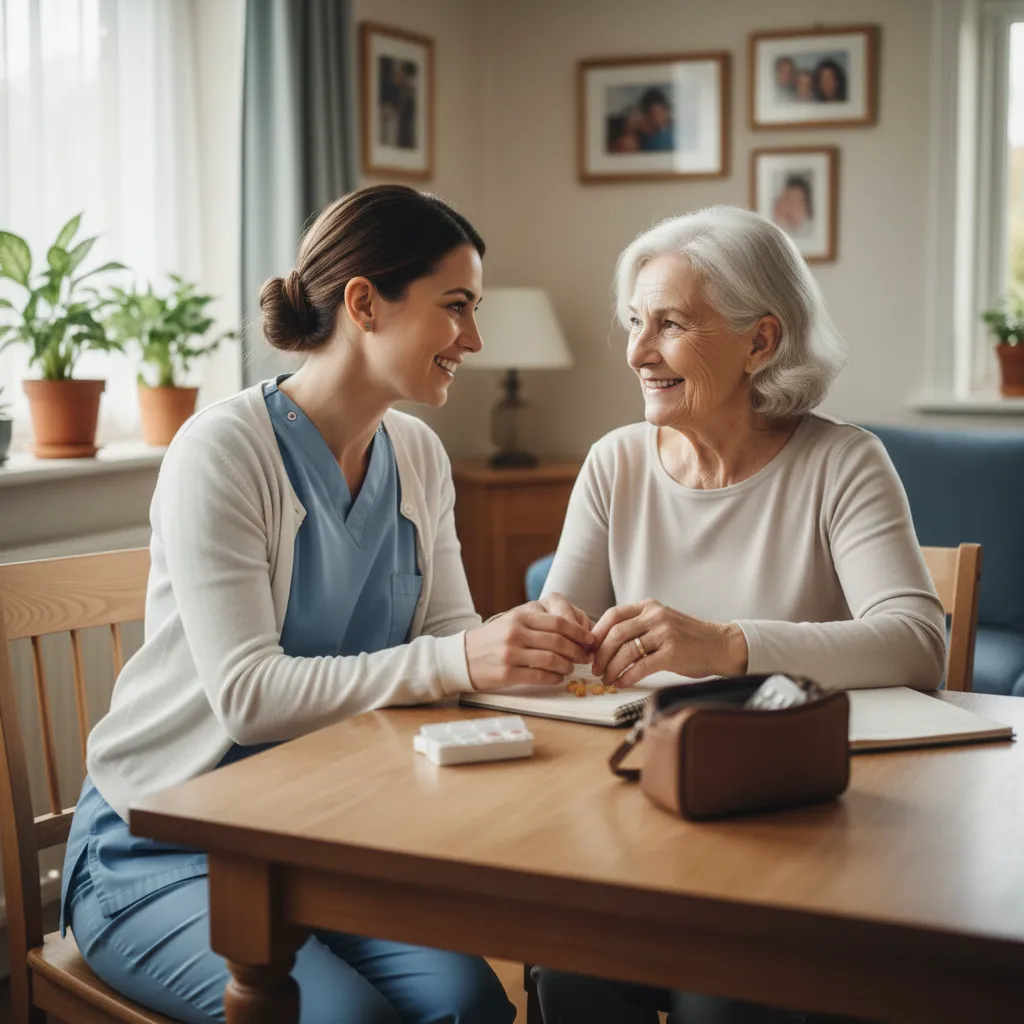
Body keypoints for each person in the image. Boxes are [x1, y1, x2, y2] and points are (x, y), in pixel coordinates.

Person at [61, 184, 596, 1024]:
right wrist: (465, 656)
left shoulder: (416, 452)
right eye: (455, 307)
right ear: (363, 304)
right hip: (161, 845)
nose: (475, 339)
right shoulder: (222, 451)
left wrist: (533, 646)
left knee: (473, 1007)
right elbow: (249, 695)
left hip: (323, 838)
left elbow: (453, 639)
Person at [532, 205, 946, 1024]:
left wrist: (722, 643)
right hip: (642, 807)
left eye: (671, 325)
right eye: (635, 322)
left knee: (719, 997)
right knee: (566, 966)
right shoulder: (616, 462)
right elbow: (561, 638)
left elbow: (916, 643)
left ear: (761, 342)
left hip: (797, 823)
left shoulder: (843, 461)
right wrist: (536, 638)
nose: (637, 353)